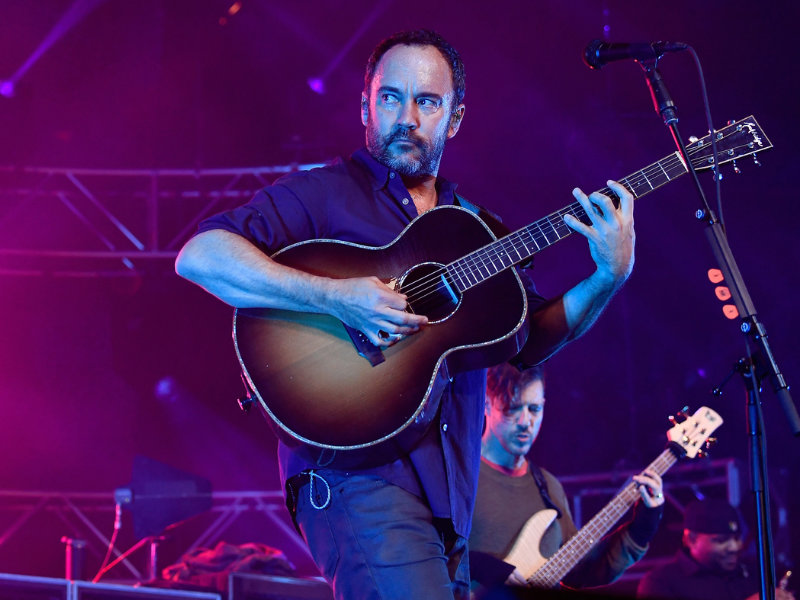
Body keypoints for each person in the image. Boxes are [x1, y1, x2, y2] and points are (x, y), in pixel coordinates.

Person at [175, 29, 635, 600]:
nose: (407, 117)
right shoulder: (324, 195)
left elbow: (528, 339)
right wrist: (334, 296)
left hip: (450, 496)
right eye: (390, 97)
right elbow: (201, 256)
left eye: (428, 101)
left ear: (456, 118)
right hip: (353, 476)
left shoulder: (474, 226)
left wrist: (607, 277)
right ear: (365, 104)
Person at [469, 363, 664, 594]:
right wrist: (483, 567)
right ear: (487, 404)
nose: (525, 421)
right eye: (512, 408)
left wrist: (643, 526)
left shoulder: (548, 487)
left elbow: (583, 570)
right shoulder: (458, 477)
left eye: (534, 409)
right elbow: (425, 552)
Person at [636, 498, 795, 600]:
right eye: (721, 540)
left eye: (737, 538)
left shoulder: (754, 573)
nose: (735, 547)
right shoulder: (661, 582)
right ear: (691, 539)